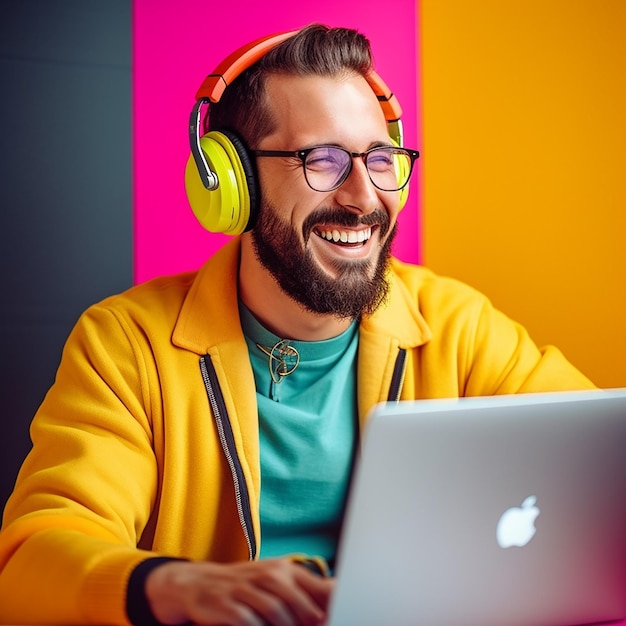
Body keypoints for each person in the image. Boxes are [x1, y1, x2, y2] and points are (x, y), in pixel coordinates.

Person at [0, 23, 595, 626]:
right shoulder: (127, 346)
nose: (365, 197)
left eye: (381, 158)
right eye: (324, 160)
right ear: (233, 184)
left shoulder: (457, 327)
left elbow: (600, 459)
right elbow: (30, 561)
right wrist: (174, 586)